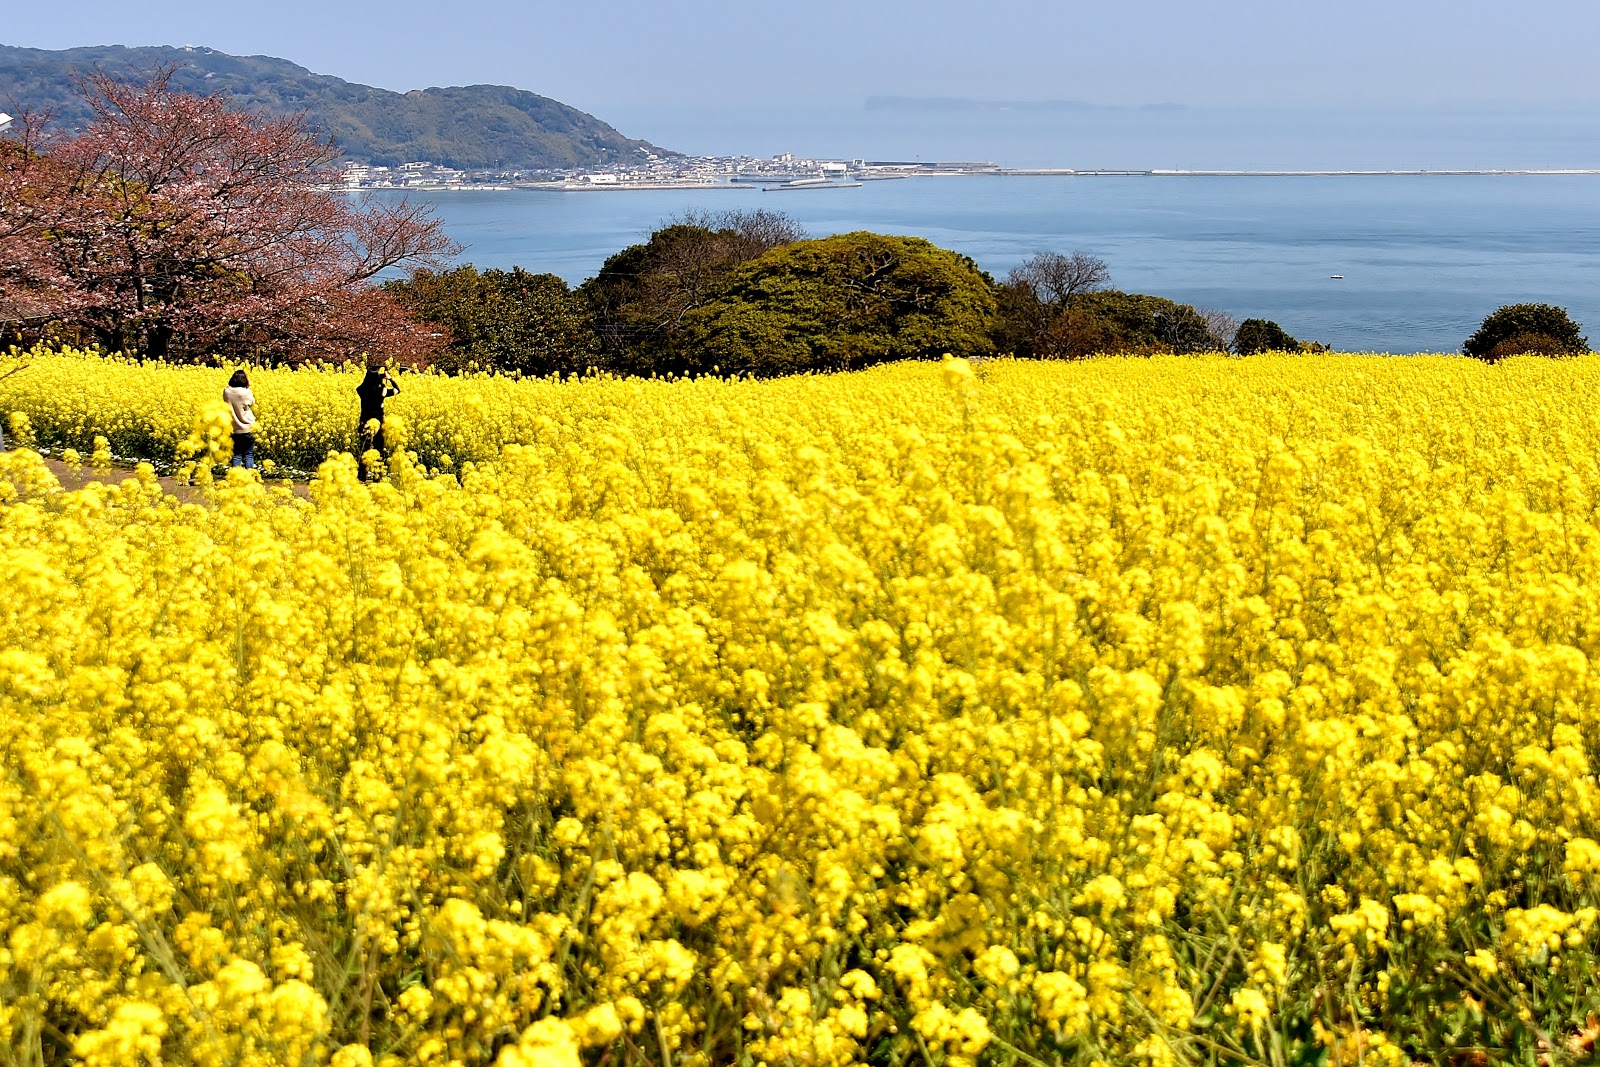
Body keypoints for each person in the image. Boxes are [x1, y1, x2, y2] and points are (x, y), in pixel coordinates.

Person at [355, 364, 399, 481]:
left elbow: (360, 386)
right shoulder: (382, 390)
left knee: (365, 449)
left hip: (365, 422)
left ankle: (361, 476)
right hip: (379, 423)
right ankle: (377, 475)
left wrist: (372, 375)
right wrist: (389, 379)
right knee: (379, 450)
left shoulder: (362, 390)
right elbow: (397, 390)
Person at [223, 369, 258, 469]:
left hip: (234, 428)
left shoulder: (226, 391)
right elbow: (252, 403)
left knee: (237, 454)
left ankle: (235, 478)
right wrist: (248, 387)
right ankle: (249, 478)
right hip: (248, 427)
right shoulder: (247, 392)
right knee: (249, 454)